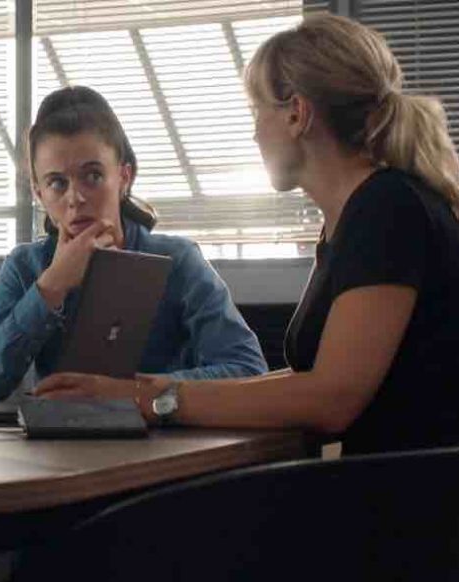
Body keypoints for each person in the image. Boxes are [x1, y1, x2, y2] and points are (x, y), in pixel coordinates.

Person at [34, 14, 459, 455]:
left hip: (411, 490)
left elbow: (332, 399)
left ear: (296, 114)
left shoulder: (387, 208)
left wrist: (149, 399)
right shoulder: (358, 216)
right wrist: (142, 388)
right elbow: (310, 380)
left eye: (257, 111)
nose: (254, 133)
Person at [0, 85, 267, 402]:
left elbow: (248, 370)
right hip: (57, 433)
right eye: (57, 183)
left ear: (124, 177)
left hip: (162, 429)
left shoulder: (177, 260)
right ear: (39, 193)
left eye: (93, 176)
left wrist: (130, 392)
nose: (75, 198)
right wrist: (51, 287)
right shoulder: (25, 266)